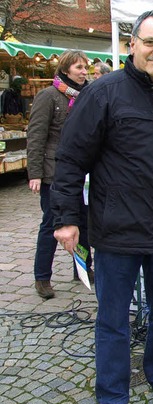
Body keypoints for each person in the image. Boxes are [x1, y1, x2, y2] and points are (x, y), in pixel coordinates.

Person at [50, 10, 153, 404]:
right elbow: (69, 161)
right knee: (115, 320)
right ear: (132, 44)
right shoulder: (102, 93)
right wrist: (65, 218)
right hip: (116, 231)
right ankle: (114, 395)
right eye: (151, 42)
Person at [26, 49, 93, 299]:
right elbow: (36, 136)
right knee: (52, 225)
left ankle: (83, 268)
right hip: (53, 173)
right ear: (65, 70)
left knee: (83, 223)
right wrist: (35, 172)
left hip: (82, 173)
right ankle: (42, 277)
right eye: (79, 68)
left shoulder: (88, 95)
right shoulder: (49, 96)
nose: (84, 72)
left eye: (85, 68)